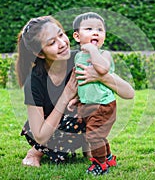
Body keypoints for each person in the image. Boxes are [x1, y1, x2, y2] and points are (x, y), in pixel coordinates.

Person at [15, 16, 134, 167]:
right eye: (52, 42)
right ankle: (35, 152)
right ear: (40, 53)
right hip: (49, 129)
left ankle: (88, 144)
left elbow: (129, 93)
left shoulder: (82, 58)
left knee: (91, 109)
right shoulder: (34, 80)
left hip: (79, 124)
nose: (62, 43)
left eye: (61, 34)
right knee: (71, 114)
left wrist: (101, 77)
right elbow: (39, 135)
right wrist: (66, 95)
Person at [67, 12, 123, 175]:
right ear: (77, 36)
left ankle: (100, 164)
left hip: (103, 105)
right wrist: (76, 99)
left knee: (93, 136)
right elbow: (82, 81)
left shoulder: (103, 55)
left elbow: (102, 70)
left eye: (100, 29)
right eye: (89, 28)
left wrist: (92, 50)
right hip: (88, 104)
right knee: (97, 134)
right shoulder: (78, 57)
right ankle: (108, 157)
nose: (96, 32)